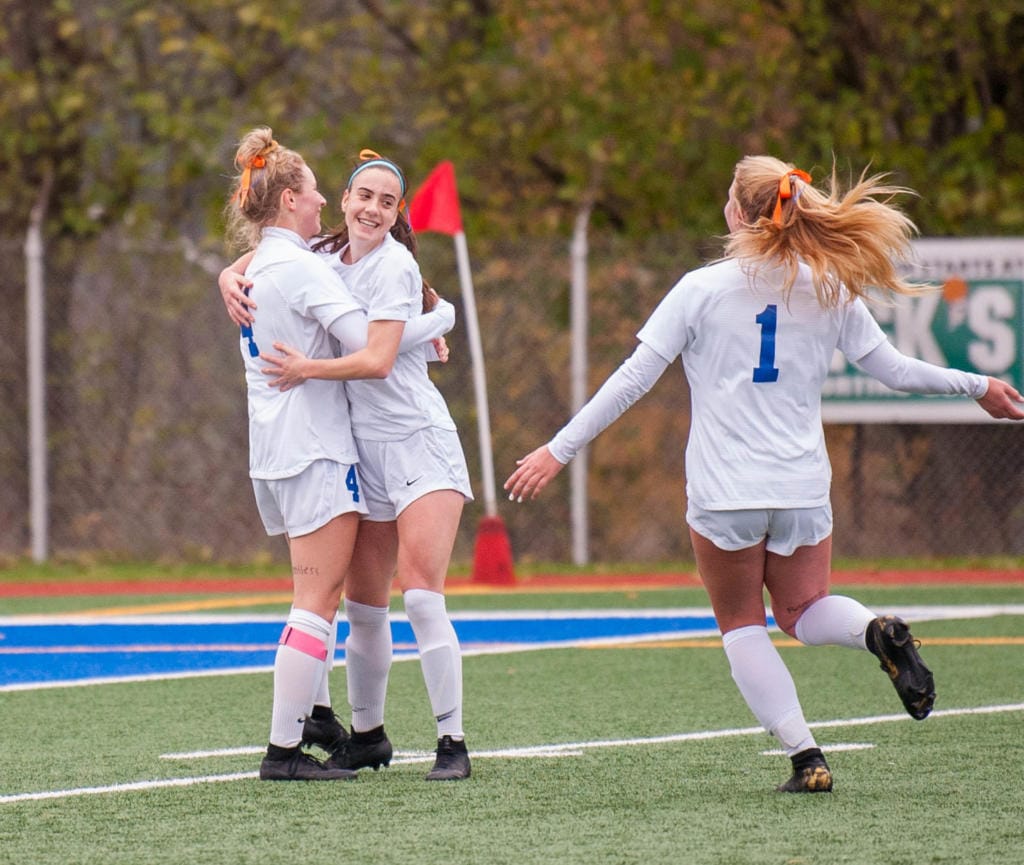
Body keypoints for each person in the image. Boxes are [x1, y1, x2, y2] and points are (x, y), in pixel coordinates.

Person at [504, 155, 1024, 793]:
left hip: (726, 493)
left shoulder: (701, 288)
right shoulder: (829, 285)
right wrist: (976, 384)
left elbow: (631, 381)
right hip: (802, 486)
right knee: (804, 609)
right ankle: (874, 631)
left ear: (739, 213)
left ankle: (807, 758)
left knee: (743, 624)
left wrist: (559, 449)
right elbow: (895, 370)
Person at [220, 149, 474, 781]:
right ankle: (365, 734)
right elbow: (275, 258)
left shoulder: (394, 265)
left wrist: (435, 316)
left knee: (417, 594)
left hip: (416, 440)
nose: (366, 208)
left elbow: (378, 355)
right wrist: (228, 271)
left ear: (398, 214)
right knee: (359, 605)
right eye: (361, 195)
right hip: (348, 448)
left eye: (387, 201)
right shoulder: (320, 259)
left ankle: (452, 742)